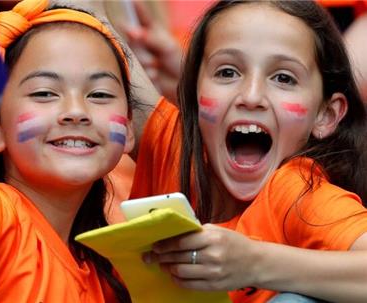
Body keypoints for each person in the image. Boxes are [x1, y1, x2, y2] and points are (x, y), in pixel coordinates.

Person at [129, 1, 367, 302]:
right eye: (227, 72)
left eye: (284, 78)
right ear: (192, 93)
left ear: (326, 115)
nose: (251, 96)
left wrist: (254, 263)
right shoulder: (172, 152)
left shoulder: (297, 192)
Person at [0, 0, 139, 301]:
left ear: (131, 128)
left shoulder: (106, 275)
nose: (76, 111)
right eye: (44, 93)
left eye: (99, 94)